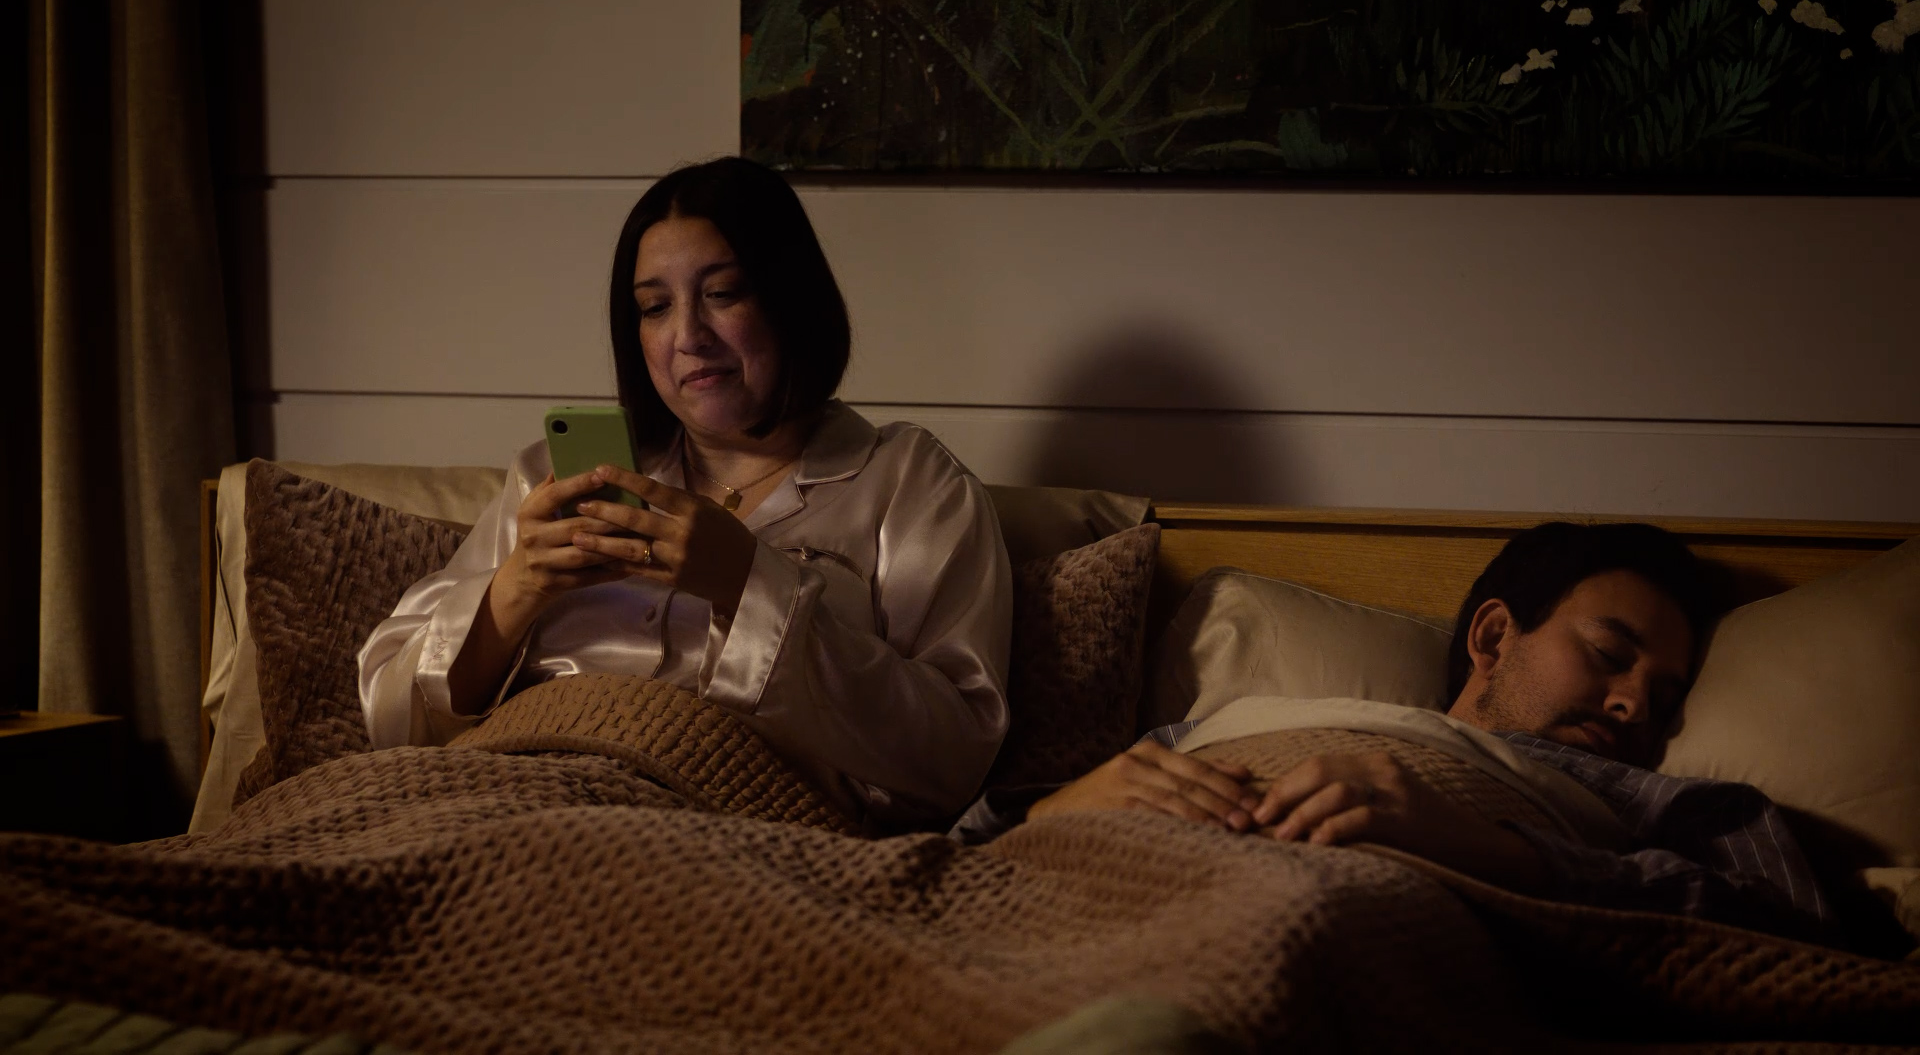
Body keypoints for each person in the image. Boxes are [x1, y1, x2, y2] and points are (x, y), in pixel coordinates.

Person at [359, 157, 1012, 830]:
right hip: (503, 795)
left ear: (790, 298)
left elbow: (954, 756)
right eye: (654, 307)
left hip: (728, 828)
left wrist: (748, 584)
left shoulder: (908, 481)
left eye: (723, 293)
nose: (688, 337)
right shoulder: (554, 479)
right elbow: (390, 719)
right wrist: (517, 587)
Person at [955, 522, 1852, 947]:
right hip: (1083, 916)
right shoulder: (1218, 726)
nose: (1633, 706)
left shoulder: (1652, 802)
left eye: (1664, 695)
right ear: (1494, 636)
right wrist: (1052, 814)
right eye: (1609, 656)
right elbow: (950, 860)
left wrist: (1491, 849)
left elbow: (1797, 931)